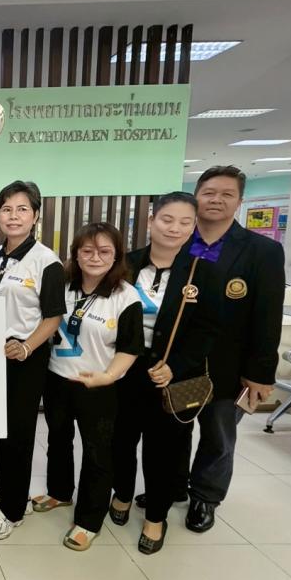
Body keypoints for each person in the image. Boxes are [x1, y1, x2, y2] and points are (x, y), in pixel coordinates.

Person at [108, 192, 219, 554]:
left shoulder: (203, 270)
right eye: (168, 219)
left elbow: (208, 329)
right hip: (126, 369)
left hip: (172, 375)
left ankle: (156, 516)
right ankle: (123, 494)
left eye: (186, 222)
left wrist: (176, 366)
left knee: (163, 450)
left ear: (194, 226)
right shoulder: (126, 264)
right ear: (152, 220)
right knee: (121, 440)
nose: (175, 228)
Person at [182, 166, 285, 533]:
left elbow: (268, 316)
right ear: (196, 196)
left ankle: (205, 497)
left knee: (218, 434)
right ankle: (173, 485)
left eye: (227, 194)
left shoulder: (262, 251)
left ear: (239, 201)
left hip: (230, 369)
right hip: (182, 364)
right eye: (209, 192)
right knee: (176, 429)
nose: (216, 200)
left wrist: (260, 373)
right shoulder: (180, 243)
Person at [32, 222, 143, 551]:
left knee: (97, 452)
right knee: (58, 440)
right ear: (76, 254)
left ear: (116, 256)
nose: (95, 257)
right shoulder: (62, 286)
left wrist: (108, 376)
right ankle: (59, 492)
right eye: (87, 250)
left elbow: (130, 347)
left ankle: (89, 520)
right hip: (57, 378)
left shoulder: (125, 296)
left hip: (99, 385)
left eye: (105, 251)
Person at [0, 181, 66, 540]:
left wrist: (26, 347)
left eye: (22, 209)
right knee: (1, 429)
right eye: (7, 209)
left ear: (35, 216)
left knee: (20, 434)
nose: (13, 216)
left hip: (26, 356)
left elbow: (53, 317)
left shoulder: (46, 261)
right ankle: (6, 492)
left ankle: (13, 510)